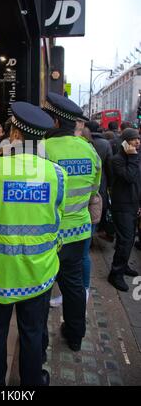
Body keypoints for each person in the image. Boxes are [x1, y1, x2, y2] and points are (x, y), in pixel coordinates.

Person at [0, 102, 67, 386]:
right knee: (33, 332)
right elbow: (56, 219)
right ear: (42, 138)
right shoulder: (57, 174)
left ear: (14, 133)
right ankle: (32, 382)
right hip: (38, 270)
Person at [43, 93, 101, 352]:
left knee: (42, 288)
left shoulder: (43, 149)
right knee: (74, 285)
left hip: (50, 235)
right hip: (79, 232)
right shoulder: (89, 149)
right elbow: (93, 192)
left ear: (55, 121)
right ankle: (75, 336)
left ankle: (38, 342)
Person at [108, 128, 141, 291]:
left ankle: (124, 265)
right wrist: (133, 157)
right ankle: (115, 274)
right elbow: (129, 177)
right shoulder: (117, 159)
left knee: (126, 241)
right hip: (121, 206)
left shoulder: (135, 158)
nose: (137, 142)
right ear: (125, 141)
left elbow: (138, 182)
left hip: (133, 204)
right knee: (125, 240)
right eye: (134, 139)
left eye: (138, 139)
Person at [85, 121, 113, 239]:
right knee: (95, 207)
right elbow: (109, 166)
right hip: (100, 181)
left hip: (84, 181)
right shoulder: (105, 144)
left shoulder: (83, 142)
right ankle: (93, 233)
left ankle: (86, 237)